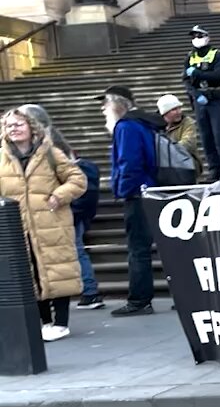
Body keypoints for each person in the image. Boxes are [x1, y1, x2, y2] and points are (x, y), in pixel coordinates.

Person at [0, 108, 88, 341]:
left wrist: (59, 195)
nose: (14, 129)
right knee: (30, 273)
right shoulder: (2, 158)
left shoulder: (50, 152)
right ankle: (44, 322)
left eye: (19, 124)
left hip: (51, 223)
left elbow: (77, 179)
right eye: (9, 125)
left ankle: (60, 322)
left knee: (57, 270)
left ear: (31, 126)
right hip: (18, 225)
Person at [17, 104, 102, 310]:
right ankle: (84, 292)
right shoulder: (54, 139)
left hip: (59, 207)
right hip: (63, 206)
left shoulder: (47, 146)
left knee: (71, 249)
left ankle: (88, 291)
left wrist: (57, 196)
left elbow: (71, 175)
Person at [98, 86, 162, 317]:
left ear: (117, 104)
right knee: (151, 247)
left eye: (105, 103)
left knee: (138, 250)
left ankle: (139, 300)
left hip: (137, 194)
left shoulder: (126, 126)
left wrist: (124, 189)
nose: (102, 108)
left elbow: (129, 162)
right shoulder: (143, 123)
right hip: (149, 190)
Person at [182, 25, 220, 181]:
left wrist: (199, 73)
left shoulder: (216, 55)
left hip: (214, 99)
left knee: (219, 136)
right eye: (194, 37)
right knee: (206, 137)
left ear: (207, 37)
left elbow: (218, 75)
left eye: (199, 36)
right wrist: (195, 94)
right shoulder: (190, 57)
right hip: (200, 101)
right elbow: (187, 81)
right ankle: (214, 169)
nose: (196, 39)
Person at [157, 94, 201, 177]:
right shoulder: (155, 126)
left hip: (185, 163)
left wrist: (166, 151)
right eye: (174, 109)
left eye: (179, 108)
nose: (179, 112)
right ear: (165, 113)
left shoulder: (187, 123)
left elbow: (188, 143)